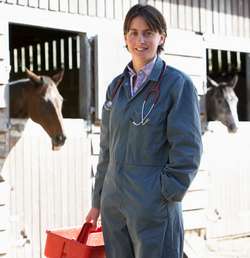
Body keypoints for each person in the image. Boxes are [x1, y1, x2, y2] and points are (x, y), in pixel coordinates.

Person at [86, 4, 203, 258]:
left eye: (148, 32)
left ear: (162, 37)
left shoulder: (177, 84)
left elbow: (188, 149)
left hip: (153, 206)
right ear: (125, 37)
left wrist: (163, 193)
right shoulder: (115, 88)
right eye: (133, 32)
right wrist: (98, 202)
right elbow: (106, 150)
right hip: (114, 206)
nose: (140, 40)